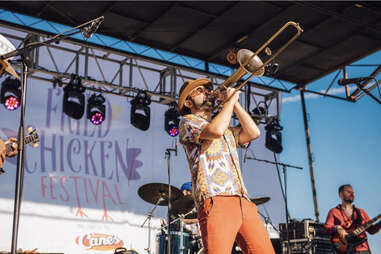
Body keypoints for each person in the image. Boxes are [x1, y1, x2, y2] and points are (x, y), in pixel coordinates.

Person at [178, 78, 275, 254]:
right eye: (199, 91)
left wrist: (235, 104)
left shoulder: (226, 129)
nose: (207, 92)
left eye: (207, 89)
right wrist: (229, 102)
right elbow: (214, 131)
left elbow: (254, 132)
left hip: (242, 200)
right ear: (188, 102)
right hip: (215, 199)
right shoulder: (187, 122)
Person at [324, 184, 380, 254]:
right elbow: (326, 228)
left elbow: (372, 230)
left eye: (353, 192)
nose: (352, 194)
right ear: (341, 194)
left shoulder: (361, 212)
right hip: (345, 250)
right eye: (349, 192)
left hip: (363, 250)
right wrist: (337, 228)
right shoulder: (334, 211)